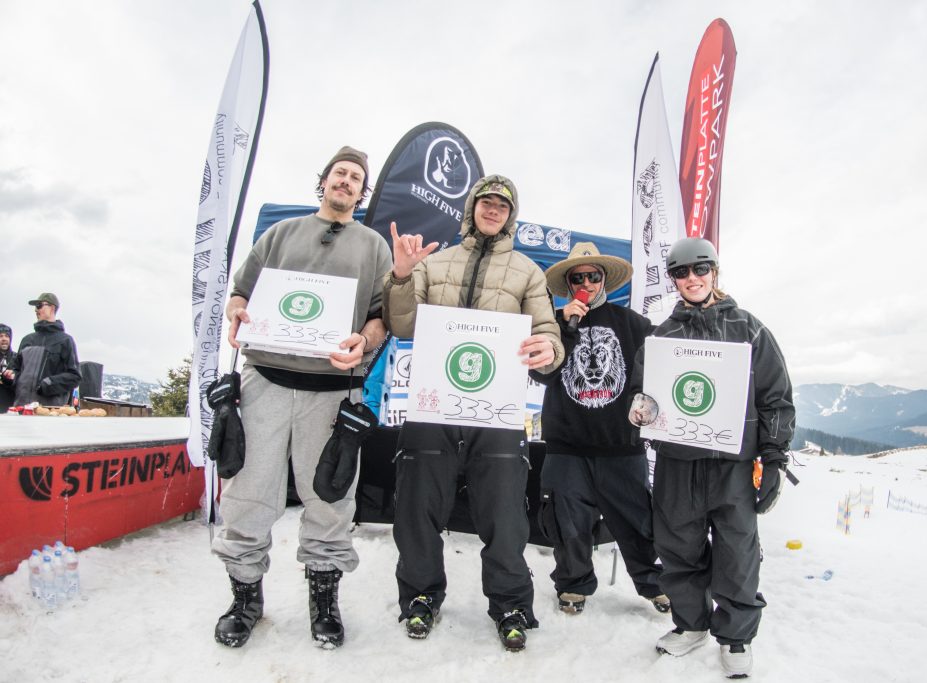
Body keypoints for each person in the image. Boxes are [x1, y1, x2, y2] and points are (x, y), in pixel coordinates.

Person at [211, 146, 393, 650]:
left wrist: (366, 340)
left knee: (330, 497)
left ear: (362, 192)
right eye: (340, 173)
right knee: (248, 492)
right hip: (265, 381)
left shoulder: (374, 246)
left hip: (332, 391)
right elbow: (241, 292)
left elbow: (381, 317)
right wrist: (237, 312)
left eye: (356, 177)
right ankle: (245, 599)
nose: (346, 181)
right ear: (325, 180)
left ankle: (324, 602)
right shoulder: (281, 234)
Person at [383, 174, 564, 651]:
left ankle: (511, 604)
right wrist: (401, 276)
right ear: (472, 208)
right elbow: (402, 323)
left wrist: (549, 348)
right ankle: (420, 595)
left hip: (497, 412)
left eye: (503, 204)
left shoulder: (527, 271)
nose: (493, 209)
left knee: (505, 516)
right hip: (433, 407)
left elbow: (548, 331)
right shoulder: (434, 262)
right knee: (417, 509)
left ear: (511, 215)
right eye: (486, 201)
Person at [627, 238, 794, 679]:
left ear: (714, 272)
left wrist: (774, 460)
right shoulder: (663, 336)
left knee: (737, 551)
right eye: (681, 272)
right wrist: (638, 407)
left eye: (700, 269)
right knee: (678, 546)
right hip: (678, 462)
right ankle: (691, 623)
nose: (692, 278)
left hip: (731, 464)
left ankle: (736, 635)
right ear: (674, 280)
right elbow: (641, 391)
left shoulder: (748, 329)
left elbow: (776, 397)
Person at [529, 242, 669, 616]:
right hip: (566, 446)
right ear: (569, 284)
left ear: (604, 279)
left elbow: (667, 357)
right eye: (578, 278)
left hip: (621, 444)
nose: (586, 284)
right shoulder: (552, 326)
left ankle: (655, 584)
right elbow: (541, 374)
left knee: (639, 522)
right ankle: (573, 585)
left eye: (593, 276)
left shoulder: (632, 323)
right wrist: (564, 327)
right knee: (567, 522)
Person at [6, 294, 81, 408]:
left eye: (39, 306)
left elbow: (75, 376)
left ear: (52, 308)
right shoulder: (27, 340)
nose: (36, 310)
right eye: (35, 307)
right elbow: (15, 369)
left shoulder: (65, 341)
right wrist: (10, 376)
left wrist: (49, 384)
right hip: (21, 408)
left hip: (49, 411)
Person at [0, 323, 14, 412]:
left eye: (7, 336)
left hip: (11, 404)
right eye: (0, 336)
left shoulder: (17, 358)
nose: (4, 339)